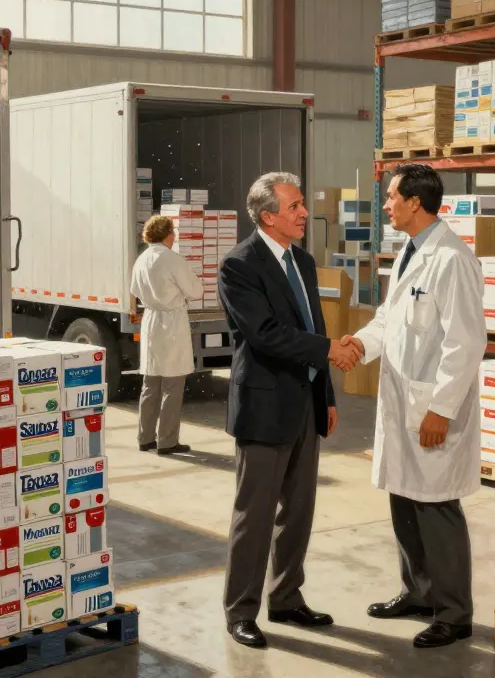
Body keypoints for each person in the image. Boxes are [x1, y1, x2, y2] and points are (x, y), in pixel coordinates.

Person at [344, 163, 487, 649]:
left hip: (431, 406)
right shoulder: (411, 251)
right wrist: (359, 345)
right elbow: (389, 319)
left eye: (391, 197)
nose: (386, 205)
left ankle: (454, 614)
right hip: (403, 400)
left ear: (415, 202)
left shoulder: (452, 259)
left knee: (436, 507)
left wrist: (441, 409)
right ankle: (418, 592)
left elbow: (466, 342)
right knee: (404, 499)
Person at [216, 171, 358, 649]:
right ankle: (241, 611)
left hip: (306, 404)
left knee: (298, 512)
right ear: (267, 216)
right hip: (264, 406)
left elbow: (314, 325)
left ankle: (287, 598)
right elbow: (265, 335)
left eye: (301, 204)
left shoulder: (303, 260)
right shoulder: (239, 265)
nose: (304, 213)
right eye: (294, 206)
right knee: (254, 517)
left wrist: (328, 395)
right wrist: (330, 350)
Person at [130, 215, 205, 455]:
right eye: (173, 232)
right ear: (167, 234)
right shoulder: (172, 259)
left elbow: (134, 289)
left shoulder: (141, 259)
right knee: (172, 386)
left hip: (151, 320)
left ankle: (145, 438)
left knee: (150, 384)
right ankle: (167, 440)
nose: (174, 237)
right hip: (171, 323)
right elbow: (195, 291)